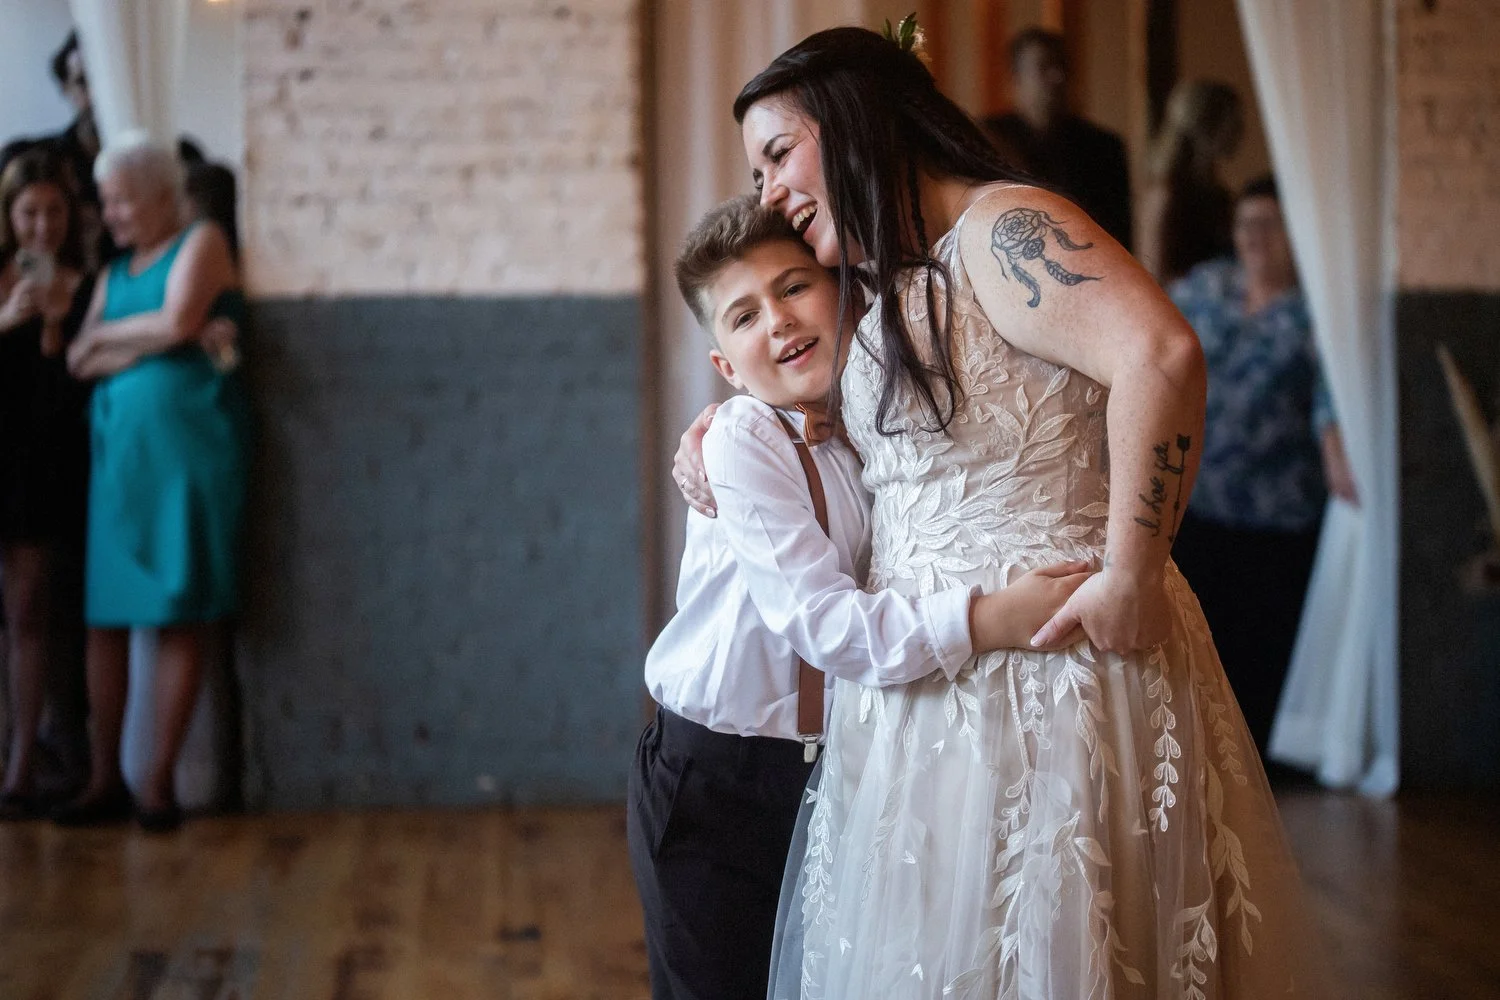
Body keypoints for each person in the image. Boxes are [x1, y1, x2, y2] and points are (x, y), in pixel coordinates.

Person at [676, 25, 1330, 998]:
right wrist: (723, 431)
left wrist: (1133, 570)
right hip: (929, 696)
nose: (769, 190)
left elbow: (1159, 355)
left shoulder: (1002, 228)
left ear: (857, 120)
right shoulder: (898, 278)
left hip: (1052, 667)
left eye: (779, 153)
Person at [634, 194, 1093, 1000]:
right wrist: (990, 619)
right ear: (725, 367)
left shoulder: (874, 425)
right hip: (715, 775)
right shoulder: (743, 437)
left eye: (793, 288)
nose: (777, 320)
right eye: (742, 316)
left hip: (830, 767)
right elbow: (824, 624)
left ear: (847, 296)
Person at [54, 133, 249, 833]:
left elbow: (181, 321)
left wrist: (118, 339)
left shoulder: (202, 242)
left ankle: (158, 782)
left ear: (162, 196)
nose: (110, 214)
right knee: (106, 613)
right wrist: (140, 338)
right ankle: (105, 778)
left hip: (185, 456)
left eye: (122, 200)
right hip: (120, 459)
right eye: (106, 201)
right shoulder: (114, 269)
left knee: (176, 605)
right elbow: (79, 355)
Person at [1168, 176, 1355, 759]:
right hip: (1199, 499)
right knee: (1201, 639)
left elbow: (1334, 392)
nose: (1256, 236)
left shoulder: (1315, 310)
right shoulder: (1206, 287)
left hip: (1278, 508)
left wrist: (1336, 454)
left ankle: (1258, 765)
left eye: (1270, 224)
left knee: (1263, 645)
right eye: (1247, 223)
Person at [0, 148, 93, 819]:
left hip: (39, 465)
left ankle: (22, 765)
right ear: (8, 215)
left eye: (55, 212)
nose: (42, 227)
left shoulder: (86, 284)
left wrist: (55, 327)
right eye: (30, 212)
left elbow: (68, 397)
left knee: (31, 607)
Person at [982, 28, 1132, 251]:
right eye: (1044, 67)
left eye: (1062, 66)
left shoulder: (1102, 147)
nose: (1057, 76)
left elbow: (1118, 233)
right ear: (1016, 79)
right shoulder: (988, 140)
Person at [1139, 80, 1243, 284]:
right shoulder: (1165, 194)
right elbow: (1153, 276)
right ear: (1208, 125)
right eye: (1234, 121)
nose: (1241, 130)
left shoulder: (1219, 194)